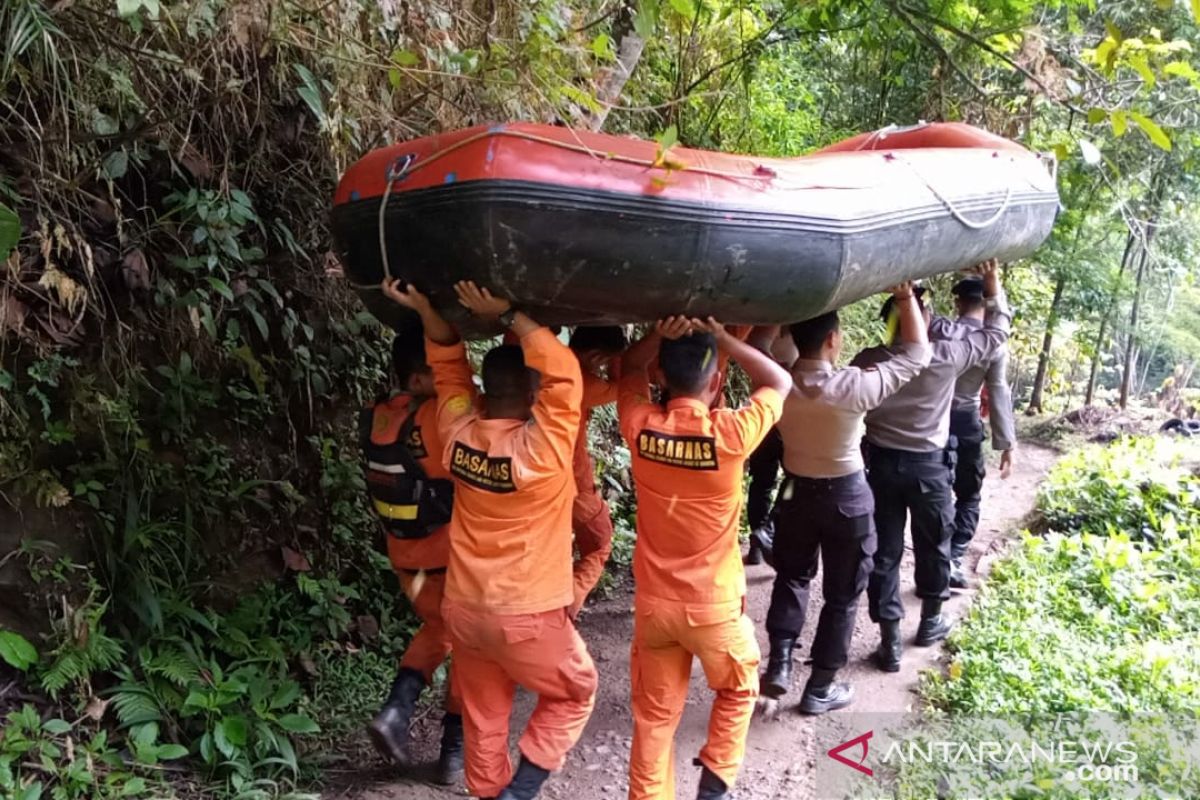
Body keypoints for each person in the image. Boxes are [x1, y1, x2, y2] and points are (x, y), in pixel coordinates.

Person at [381, 278, 598, 800]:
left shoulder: (456, 435)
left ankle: (489, 793)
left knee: (484, 717)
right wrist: (511, 315)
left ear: (485, 391)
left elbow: (449, 371)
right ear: (531, 395)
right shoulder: (544, 451)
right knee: (576, 692)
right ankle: (519, 791)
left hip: (466, 610)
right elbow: (565, 377)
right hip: (526, 615)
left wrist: (429, 310)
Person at [618, 317, 791, 800]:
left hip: (655, 607)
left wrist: (657, 332)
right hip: (713, 607)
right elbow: (780, 381)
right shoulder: (732, 435)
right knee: (738, 689)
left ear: (661, 378)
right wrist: (727, 337)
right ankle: (712, 788)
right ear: (716, 381)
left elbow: (629, 365)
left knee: (654, 719)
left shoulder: (639, 426)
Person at [763, 283, 931, 713]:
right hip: (847, 497)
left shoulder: (777, 382)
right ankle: (820, 688)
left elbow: (758, 344)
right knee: (842, 595)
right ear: (834, 340)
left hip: (795, 491)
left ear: (792, 336)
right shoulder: (854, 386)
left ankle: (780, 664)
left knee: (792, 577)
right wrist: (905, 297)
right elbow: (916, 354)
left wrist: (780, 303)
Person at [852, 260, 1011, 673]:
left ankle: (889, 641)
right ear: (926, 321)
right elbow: (996, 336)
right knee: (934, 546)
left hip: (881, 469)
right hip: (929, 470)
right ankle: (930, 622)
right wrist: (993, 283)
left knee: (884, 554)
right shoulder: (943, 358)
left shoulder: (868, 360)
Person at [363, 332, 464, 784]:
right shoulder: (437, 419)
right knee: (467, 648)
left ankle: (396, 713)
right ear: (421, 376)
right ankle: (453, 754)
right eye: (440, 370)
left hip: (407, 560)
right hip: (448, 557)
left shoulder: (375, 416)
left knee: (437, 628)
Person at [928, 276, 1017, 588]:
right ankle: (952, 559)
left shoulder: (938, 331)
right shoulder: (995, 344)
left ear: (958, 302)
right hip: (965, 420)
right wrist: (1006, 443)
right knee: (968, 494)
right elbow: (997, 390)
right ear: (988, 304)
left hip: (931, 416)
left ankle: (935, 560)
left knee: (934, 491)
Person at [567, 326, 628, 617]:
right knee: (599, 545)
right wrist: (621, 360)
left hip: (539, 481)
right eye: (603, 362)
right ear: (594, 355)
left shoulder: (548, 370)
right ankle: (565, 613)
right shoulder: (581, 382)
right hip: (574, 485)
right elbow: (625, 388)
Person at [742, 329, 798, 567]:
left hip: (764, 415)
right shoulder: (803, 331)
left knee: (762, 483)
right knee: (794, 480)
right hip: (785, 418)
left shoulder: (761, 330)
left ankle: (761, 537)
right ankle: (768, 530)